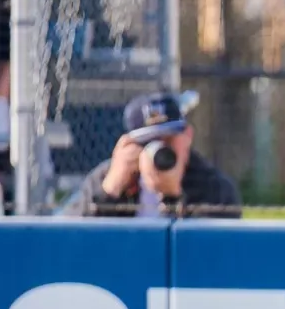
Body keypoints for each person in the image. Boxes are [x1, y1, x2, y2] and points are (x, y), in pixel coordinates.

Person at [78, 91, 242, 219]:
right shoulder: (105, 178)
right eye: (147, 142)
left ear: (187, 136)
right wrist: (109, 192)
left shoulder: (213, 187)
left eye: (168, 139)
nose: (159, 149)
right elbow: (72, 246)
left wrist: (172, 197)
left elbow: (208, 251)